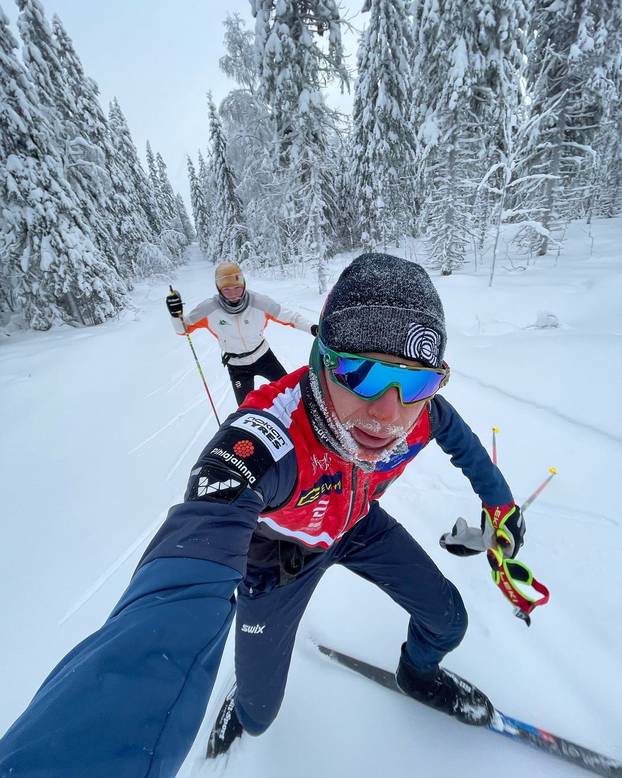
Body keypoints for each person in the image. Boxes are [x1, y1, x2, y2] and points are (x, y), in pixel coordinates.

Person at [0, 254, 525, 777]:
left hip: (356, 525)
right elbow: (181, 580)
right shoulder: (264, 440)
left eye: (413, 382)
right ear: (322, 360)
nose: (388, 414)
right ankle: (246, 706)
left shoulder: (422, 411)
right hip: (278, 561)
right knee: (259, 712)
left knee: (449, 618)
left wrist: (500, 506)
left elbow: (464, 444)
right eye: (361, 373)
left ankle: (419, 675)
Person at [166, 261, 318, 404]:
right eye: (226, 289)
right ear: (219, 289)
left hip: (264, 357)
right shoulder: (209, 309)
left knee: (289, 392)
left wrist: (312, 328)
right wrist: (175, 315)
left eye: (237, 287)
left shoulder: (259, 302)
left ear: (243, 284)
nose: (233, 294)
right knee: (246, 408)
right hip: (237, 366)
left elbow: (290, 317)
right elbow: (183, 329)